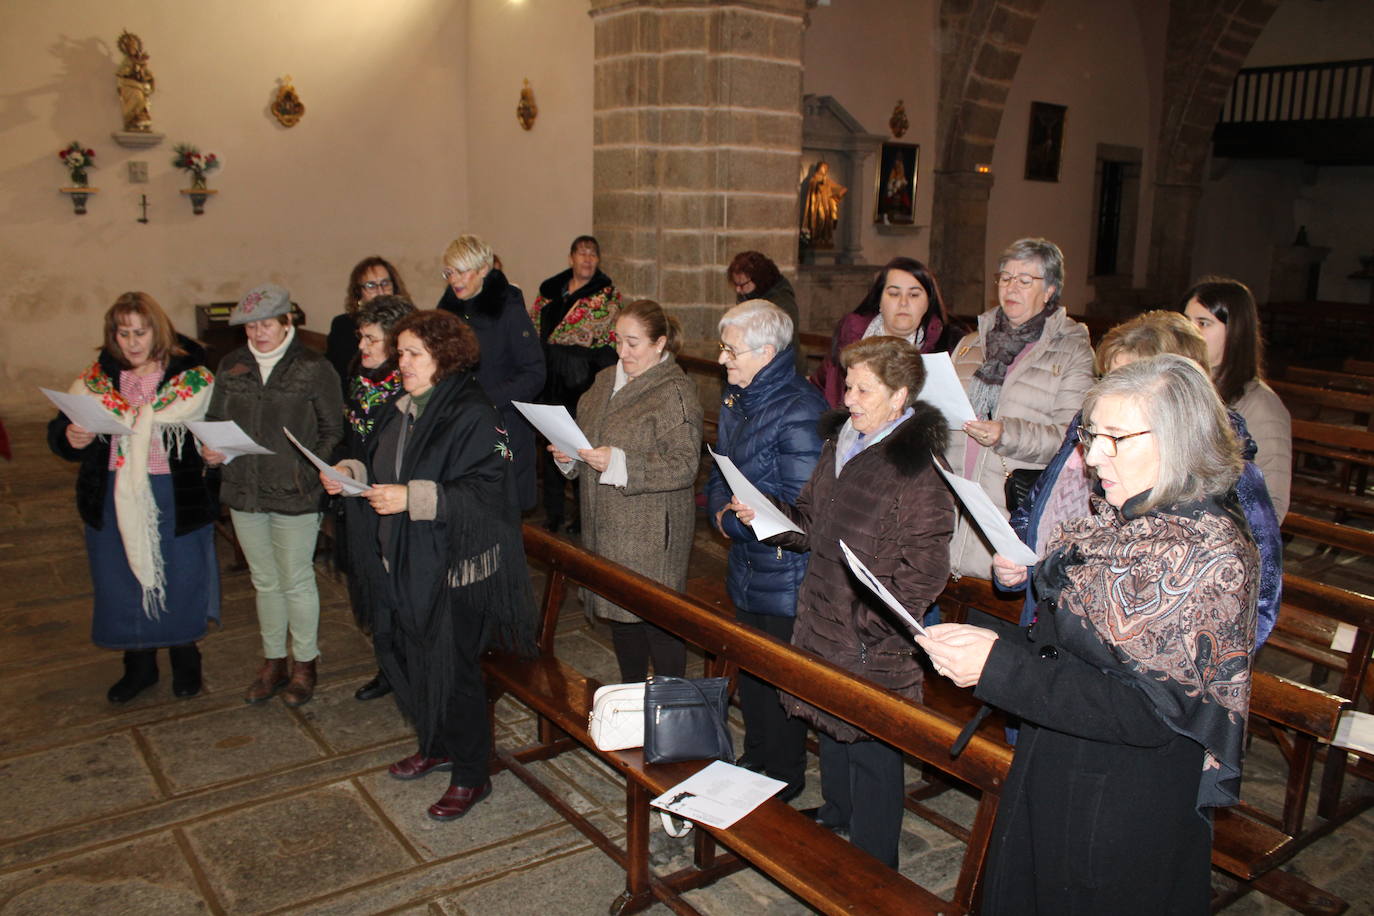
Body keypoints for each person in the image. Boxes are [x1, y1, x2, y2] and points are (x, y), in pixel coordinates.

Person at [919, 354, 1259, 912]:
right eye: (1091, 434)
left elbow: (1151, 715)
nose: (1093, 456)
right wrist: (997, 651)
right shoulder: (1126, 522)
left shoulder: (1202, 554)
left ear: (1179, 440)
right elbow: (1071, 651)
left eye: (1116, 438)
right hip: (1062, 758)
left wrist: (999, 669)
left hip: (1121, 802)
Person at [729, 335, 954, 868]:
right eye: (847, 384)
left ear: (899, 396)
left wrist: (873, 627)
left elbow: (926, 566)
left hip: (871, 635)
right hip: (824, 613)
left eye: (861, 389)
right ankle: (837, 810)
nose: (847, 398)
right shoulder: (843, 441)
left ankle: (876, 868)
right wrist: (767, 518)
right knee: (830, 724)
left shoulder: (916, 464)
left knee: (874, 750)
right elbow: (811, 523)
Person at [325, 310, 536, 820]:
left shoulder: (473, 412)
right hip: (402, 559)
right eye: (401, 353)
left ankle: (471, 773)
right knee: (411, 660)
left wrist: (412, 498)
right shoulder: (402, 408)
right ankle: (436, 743)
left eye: (413, 353)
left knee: (454, 670)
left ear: (444, 357)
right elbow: (378, 463)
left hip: (453, 569)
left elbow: (489, 494)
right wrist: (348, 472)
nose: (403, 363)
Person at [1002, 309, 1282, 658]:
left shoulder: (1229, 470)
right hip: (1054, 618)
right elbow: (1040, 504)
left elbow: (1258, 598)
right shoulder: (1092, 429)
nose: (1110, 392)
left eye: (1130, 378)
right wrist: (1019, 560)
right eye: (1107, 377)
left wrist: (1184, 658)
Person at [47, 292, 218, 703]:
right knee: (120, 580)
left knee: (179, 577)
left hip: (174, 495)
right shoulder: (94, 382)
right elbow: (61, 432)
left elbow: (217, 429)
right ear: (112, 336)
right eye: (123, 333)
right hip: (112, 495)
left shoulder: (192, 380)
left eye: (140, 332)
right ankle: (138, 667)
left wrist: (218, 453)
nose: (133, 342)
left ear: (157, 331)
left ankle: (185, 659)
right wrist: (71, 437)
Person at [705, 300, 827, 803]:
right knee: (752, 675)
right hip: (748, 560)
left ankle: (782, 775)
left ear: (767, 352)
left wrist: (745, 518)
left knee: (780, 681)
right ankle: (757, 757)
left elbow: (806, 508)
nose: (722, 359)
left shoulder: (800, 409)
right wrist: (725, 515)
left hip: (787, 571)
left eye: (731, 350)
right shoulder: (739, 398)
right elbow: (719, 470)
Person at [548, 299, 703, 682]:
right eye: (618, 340)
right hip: (607, 524)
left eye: (633, 343)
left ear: (660, 344)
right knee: (622, 621)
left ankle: (672, 716)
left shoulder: (674, 392)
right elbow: (588, 442)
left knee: (659, 626)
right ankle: (632, 701)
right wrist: (569, 456)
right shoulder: (604, 382)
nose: (622, 352)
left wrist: (619, 463)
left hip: (651, 531)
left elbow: (684, 465)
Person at [203, 284, 343, 707]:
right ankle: (273, 661)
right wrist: (210, 450)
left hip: (295, 491)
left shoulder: (313, 367)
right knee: (264, 581)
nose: (258, 333)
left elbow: (333, 430)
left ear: (287, 322)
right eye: (250, 326)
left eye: (267, 323)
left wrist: (306, 469)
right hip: (244, 488)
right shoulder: (232, 365)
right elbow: (214, 420)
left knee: (296, 579)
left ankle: (305, 662)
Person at [947, 237, 1095, 580]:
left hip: (1007, 515)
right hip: (949, 513)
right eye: (1005, 278)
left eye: (1025, 280)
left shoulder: (1072, 351)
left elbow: (1072, 440)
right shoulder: (970, 345)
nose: (1011, 287)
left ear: (1050, 291)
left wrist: (1007, 432)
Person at [330, 294, 416, 703]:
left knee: (399, 590)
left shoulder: (409, 389)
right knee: (371, 588)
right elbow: (349, 438)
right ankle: (388, 668)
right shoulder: (358, 380)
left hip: (397, 504)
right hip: (359, 496)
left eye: (371, 339)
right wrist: (341, 468)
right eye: (360, 338)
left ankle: (408, 667)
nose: (362, 347)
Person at [437, 235, 545, 512]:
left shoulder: (508, 311)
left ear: (484, 269)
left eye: (462, 271)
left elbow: (534, 373)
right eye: (449, 272)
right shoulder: (446, 313)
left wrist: (485, 399)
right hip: (459, 427)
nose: (454, 280)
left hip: (502, 425)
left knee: (500, 517)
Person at [530, 235, 621, 533]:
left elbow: (602, 336)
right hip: (550, 380)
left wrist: (565, 349)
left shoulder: (606, 295)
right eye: (581, 253)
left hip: (582, 380)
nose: (587, 259)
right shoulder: (550, 291)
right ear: (570, 258)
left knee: (582, 448)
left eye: (593, 254)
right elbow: (536, 328)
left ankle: (584, 516)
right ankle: (554, 512)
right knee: (554, 446)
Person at [1183, 276, 1292, 520]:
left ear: (1236, 331)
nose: (1190, 332)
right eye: (1186, 321)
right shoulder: (1186, 390)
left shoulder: (1261, 406)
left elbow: (1271, 503)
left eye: (1203, 323)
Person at [811, 256, 964, 408]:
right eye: (894, 294)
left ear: (928, 303)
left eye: (914, 295)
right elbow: (817, 388)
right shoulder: (849, 336)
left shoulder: (949, 346)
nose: (903, 303)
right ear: (880, 300)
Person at [326, 256, 412, 388]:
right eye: (371, 285)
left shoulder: (410, 324)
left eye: (385, 283)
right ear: (358, 293)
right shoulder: (342, 326)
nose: (380, 291)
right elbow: (335, 377)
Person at [726, 251, 803, 372]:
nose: (738, 290)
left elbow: (780, 347)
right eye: (736, 284)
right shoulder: (749, 296)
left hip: (779, 370)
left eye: (742, 285)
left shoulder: (782, 304)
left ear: (759, 280)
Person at [802, 161, 846, 248]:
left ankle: (824, 239)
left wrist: (841, 191)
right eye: (824, 167)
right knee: (820, 219)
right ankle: (816, 238)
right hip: (817, 205)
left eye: (827, 168)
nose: (825, 169)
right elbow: (816, 185)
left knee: (827, 222)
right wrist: (821, 182)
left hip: (826, 205)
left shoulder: (828, 181)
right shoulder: (813, 179)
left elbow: (837, 188)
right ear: (820, 168)